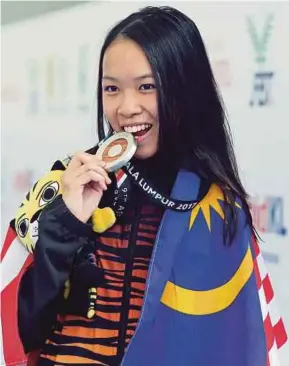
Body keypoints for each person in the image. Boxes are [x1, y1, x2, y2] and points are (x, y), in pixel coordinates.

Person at [1, 5, 287, 366]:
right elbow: (19, 331)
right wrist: (65, 224)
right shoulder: (67, 181)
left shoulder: (217, 208)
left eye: (147, 86)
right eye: (111, 89)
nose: (127, 107)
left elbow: (240, 347)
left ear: (185, 88)